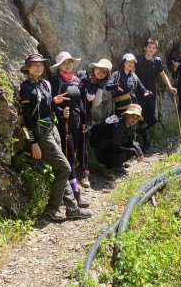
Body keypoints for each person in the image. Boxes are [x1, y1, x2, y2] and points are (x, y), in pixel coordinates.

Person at [18, 53, 91, 222]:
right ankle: (52, 208)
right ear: (28, 68)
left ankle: (72, 208)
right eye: (34, 64)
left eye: (41, 64)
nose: (38, 67)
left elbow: (48, 107)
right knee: (65, 167)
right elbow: (27, 116)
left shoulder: (44, 84)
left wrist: (58, 108)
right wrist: (33, 142)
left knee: (62, 168)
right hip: (40, 131)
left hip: (52, 128)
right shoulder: (26, 88)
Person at [49, 51, 89, 207]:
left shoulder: (77, 80)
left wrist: (84, 121)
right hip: (63, 124)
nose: (68, 65)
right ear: (59, 66)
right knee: (69, 158)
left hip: (77, 123)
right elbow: (50, 103)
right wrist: (60, 112)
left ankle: (71, 192)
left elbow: (81, 103)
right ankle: (74, 194)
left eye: (70, 62)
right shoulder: (55, 81)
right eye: (64, 63)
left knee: (74, 155)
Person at [75, 58, 113, 188]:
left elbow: (96, 103)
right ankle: (71, 173)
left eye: (104, 72)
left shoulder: (98, 84)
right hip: (73, 113)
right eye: (99, 69)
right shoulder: (81, 75)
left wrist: (100, 88)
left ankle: (84, 171)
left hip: (85, 116)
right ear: (94, 68)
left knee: (83, 142)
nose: (101, 73)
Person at [135, 38, 177, 152]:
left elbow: (163, 76)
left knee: (153, 119)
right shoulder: (138, 60)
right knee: (140, 118)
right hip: (139, 94)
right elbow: (132, 75)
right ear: (145, 48)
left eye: (154, 48)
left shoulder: (157, 61)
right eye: (149, 47)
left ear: (156, 49)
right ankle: (146, 143)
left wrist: (170, 87)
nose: (151, 50)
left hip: (151, 94)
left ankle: (138, 132)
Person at [94, 103, 144, 170]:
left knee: (136, 145)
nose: (134, 119)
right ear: (126, 115)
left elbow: (131, 141)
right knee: (123, 154)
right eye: (132, 115)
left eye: (137, 117)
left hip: (113, 149)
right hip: (103, 153)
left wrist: (139, 152)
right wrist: (133, 150)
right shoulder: (118, 126)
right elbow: (115, 147)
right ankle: (111, 167)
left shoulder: (130, 125)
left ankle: (118, 165)